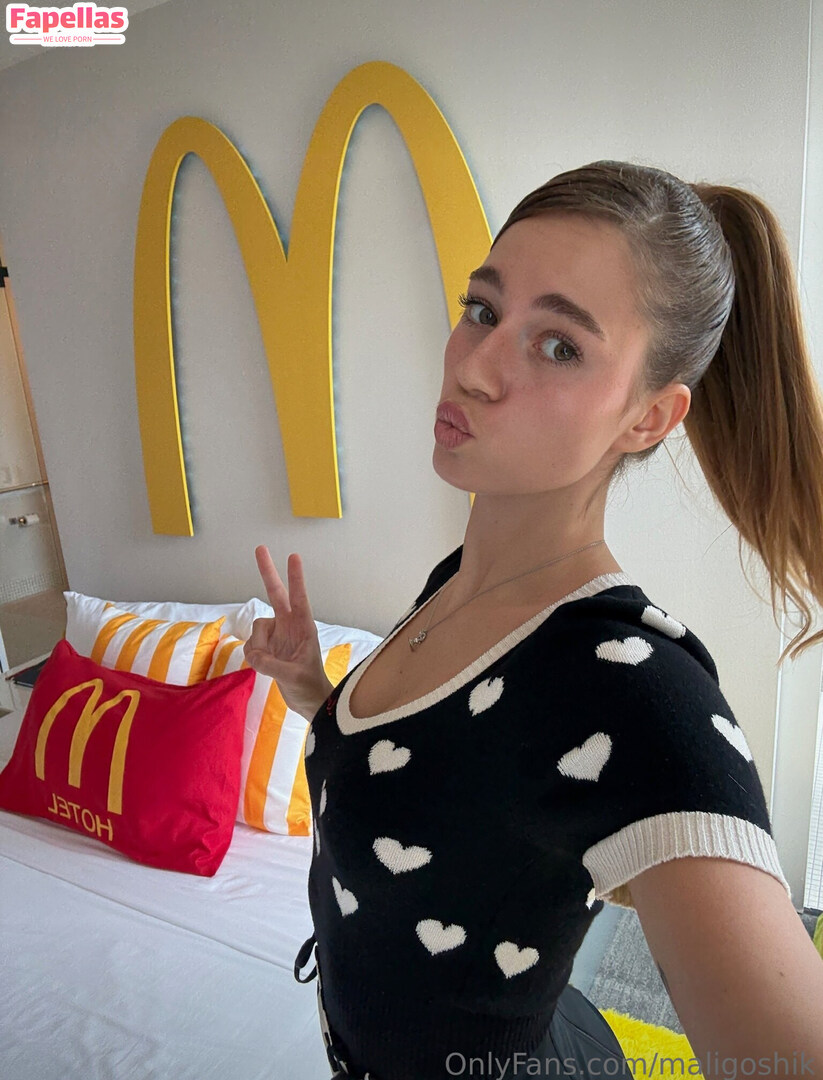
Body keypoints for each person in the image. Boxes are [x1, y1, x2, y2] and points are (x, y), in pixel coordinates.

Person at [244, 161, 823, 1080]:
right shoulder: (455, 584)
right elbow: (448, 778)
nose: (472, 368)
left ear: (648, 417)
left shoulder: (634, 685)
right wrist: (314, 688)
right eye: (482, 309)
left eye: (558, 346)